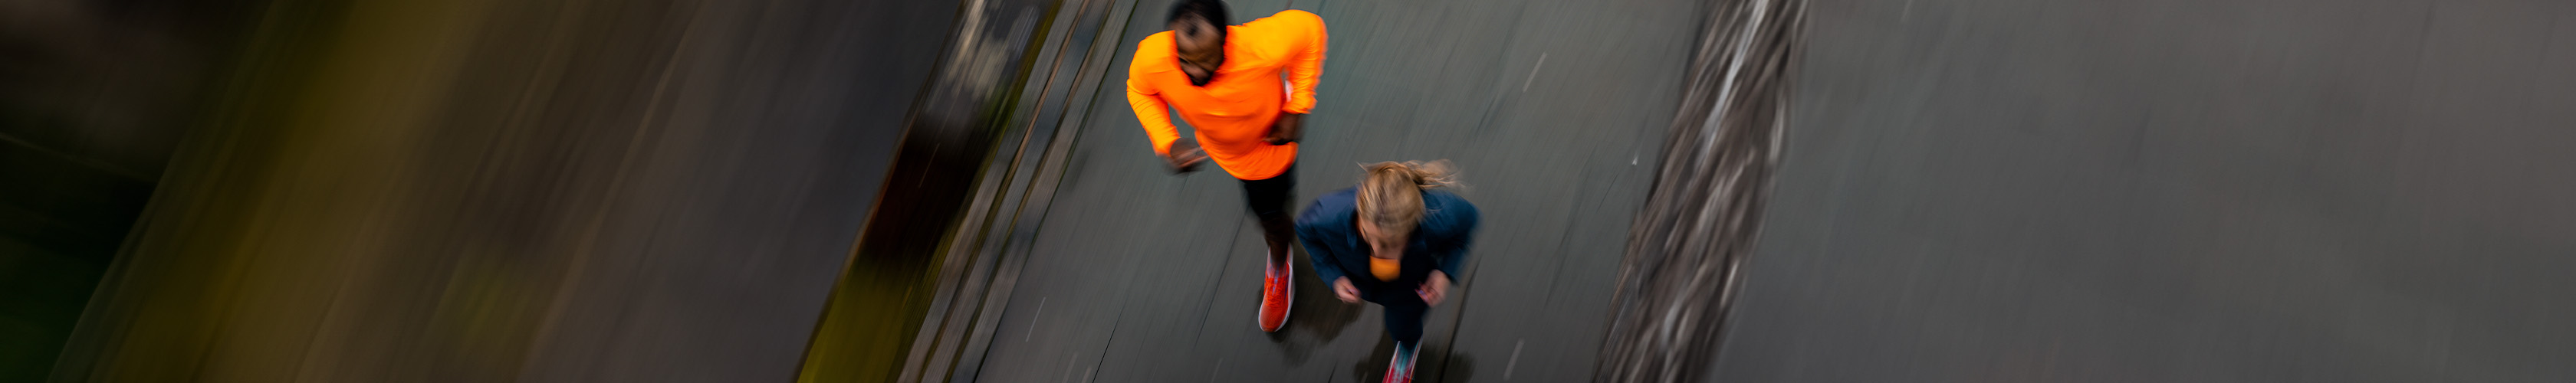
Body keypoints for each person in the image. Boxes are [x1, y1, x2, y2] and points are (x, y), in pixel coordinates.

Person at [1127, 0, 1327, 332]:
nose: (1195, 72)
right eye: (1186, 60)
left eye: (1207, 61)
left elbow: (1311, 31)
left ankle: (1280, 265)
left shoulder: (1259, 45)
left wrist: (1297, 108)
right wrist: (1167, 140)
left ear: (1226, 41)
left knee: (1271, 218)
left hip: (1265, 154)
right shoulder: (1154, 57)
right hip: (1221, 148)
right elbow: (1139, 90)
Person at [1296, 161, 1480, 383]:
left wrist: (1444, 272)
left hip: (1410, 289)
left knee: (1403, 328)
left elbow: (1466, 227)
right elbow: (1306, 233)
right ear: (1360, 213)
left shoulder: (1438, 216)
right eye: (1367, 234)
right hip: (1360, 282)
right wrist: (1333, 275)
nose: (1377, 252)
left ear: (1413, 225)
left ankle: (1407, 350)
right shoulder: (1328, 216)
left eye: (1391, 243)